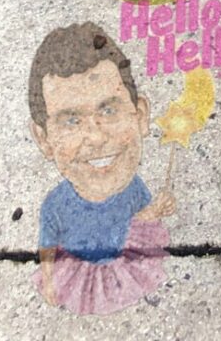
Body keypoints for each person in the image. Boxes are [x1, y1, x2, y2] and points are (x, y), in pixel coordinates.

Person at [28, 22, 175, 314]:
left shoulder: (135, 189)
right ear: (44, 139)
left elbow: (141, 225)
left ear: (140, 116)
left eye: (108, 110)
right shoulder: (55, 205)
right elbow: (48, 249)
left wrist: (156, 210)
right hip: (77, 277)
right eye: (71, 120)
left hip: (123, 272)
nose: (95, 138)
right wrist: (48, 280)